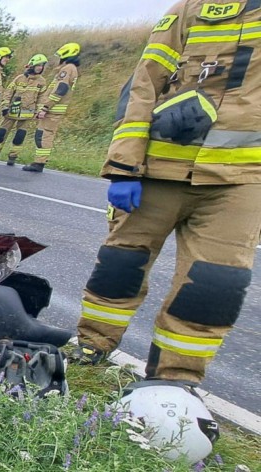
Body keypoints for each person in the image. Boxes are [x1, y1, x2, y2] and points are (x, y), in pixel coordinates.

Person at [73, 0, 261, 394]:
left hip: (242, 181)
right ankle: (92, 344)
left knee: (213, 285)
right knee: (120, 263)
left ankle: (175, 380)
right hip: (159, 168)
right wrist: (123, 166)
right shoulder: (192, 9)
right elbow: (144, 83)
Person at [23, 43, 81, 173]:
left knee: (43, 135)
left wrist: (45, 108)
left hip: (52, 111)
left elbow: (61, 89)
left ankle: (39, 163)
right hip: (53, 110)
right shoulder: (71, 68)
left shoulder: (67, 69)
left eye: (60, 56)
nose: (58, 59)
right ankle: (40, 161)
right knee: (42, 135)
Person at [0, 54, 49, 166]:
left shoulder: (42, 82)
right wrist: (5, 106)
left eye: (42, 66)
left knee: (19, 136)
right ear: (32, 65)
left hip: (27, 114)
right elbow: (8, 93)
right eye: (38, 65)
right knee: (1, 134)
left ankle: (12, 157)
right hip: (11, 112)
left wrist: (39, 111)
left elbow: (42, 98)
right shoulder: (19, 78)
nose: (40, 68)